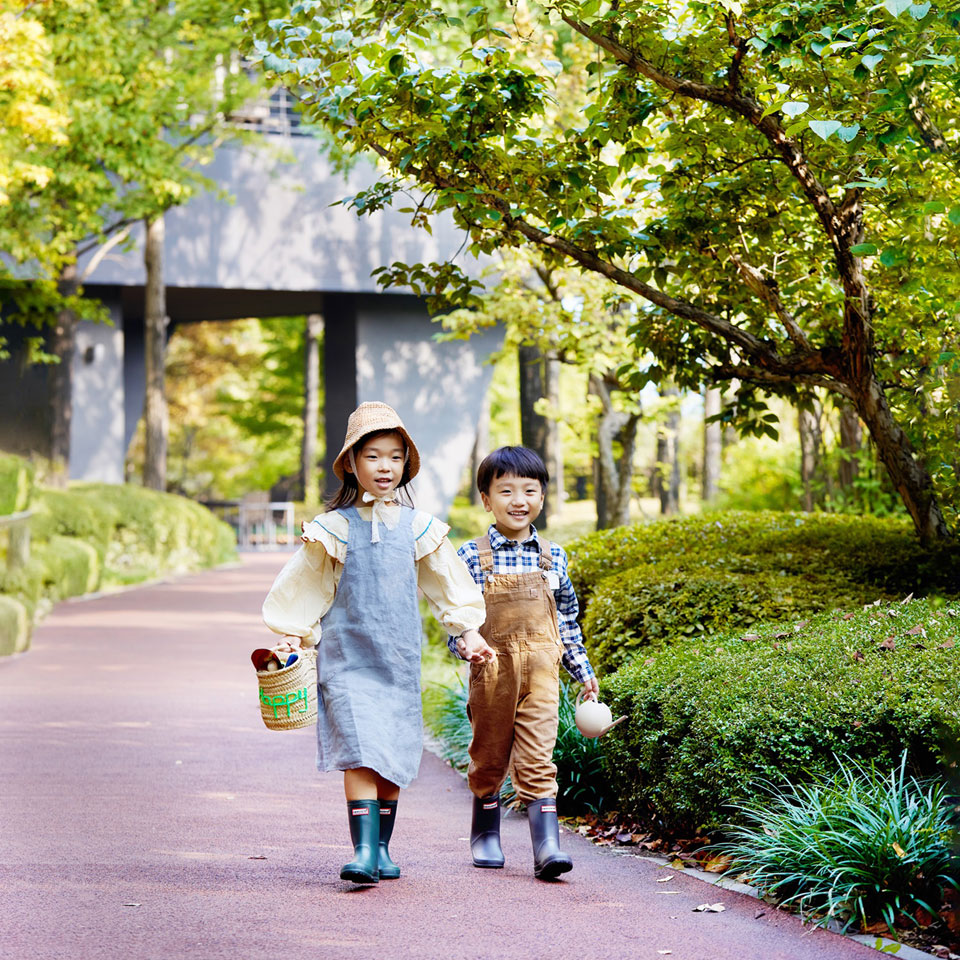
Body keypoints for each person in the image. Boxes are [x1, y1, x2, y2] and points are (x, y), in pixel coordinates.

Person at [262, 401, 492, 885]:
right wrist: (290, 631)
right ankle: (363, 853)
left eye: (394, 456)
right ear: (351, 463)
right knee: (361, 747)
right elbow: (305, 586)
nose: (384, 466)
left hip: (398, 660)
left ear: (405, 463)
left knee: (390, 749)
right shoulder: (332, 528)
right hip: (345, 659)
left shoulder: (421, 529)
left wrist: (469, 632)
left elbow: (450, 587)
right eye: (372, 456)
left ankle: (382, 849)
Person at [451, 445, 599, 880]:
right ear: (486, 499)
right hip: (492, 675)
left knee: (538, 757)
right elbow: (457, 622)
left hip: (542, 674)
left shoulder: (553, 556)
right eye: (506, 490)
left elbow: (567, 620)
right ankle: (485, 834)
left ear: (542, 496)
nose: (519, 500)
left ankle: (547, 846)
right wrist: (466, 645)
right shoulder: (470, 557)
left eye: (530, 490)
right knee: (490, 757)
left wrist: (583, 672)